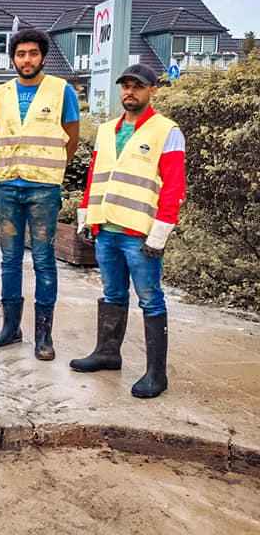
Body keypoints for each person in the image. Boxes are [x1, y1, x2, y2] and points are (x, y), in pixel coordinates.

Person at [71, 64, 185, 398]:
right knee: (112, 294)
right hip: (107, 229)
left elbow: (174, 186)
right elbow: (95, 178)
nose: (129, 92)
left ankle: (156, 374)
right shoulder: (107, 130)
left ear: (153, 91)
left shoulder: (167, 131)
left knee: (150, 299)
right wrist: (87, 220)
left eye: (138, 86)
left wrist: (160, 235)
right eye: (126, 86)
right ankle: (107, 353)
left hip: (140, 234)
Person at [0, 28, 79, 360]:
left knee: (43, 260)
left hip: (43, 187)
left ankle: (43, 337)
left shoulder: (62, 90)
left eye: (33, 54)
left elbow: (71, 138)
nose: (27, 59)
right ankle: (10, 329)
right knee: (9, 261)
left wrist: (52, 171)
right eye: (21, 54)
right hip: (6, 183)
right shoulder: (1, 93)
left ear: (43, 56)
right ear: (13, 58)